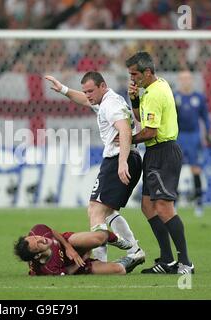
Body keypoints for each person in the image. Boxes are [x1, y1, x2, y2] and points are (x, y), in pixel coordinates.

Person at [45, 72, 145, 267]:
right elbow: (85, 100)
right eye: (86, 91)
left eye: (91, 90)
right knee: (106, 211)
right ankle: (134, 250)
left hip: (119, 158)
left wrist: (122, 162)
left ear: (102, 86)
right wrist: (63, 89)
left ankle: (100, 261)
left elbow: (124, 129)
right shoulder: (108, 99)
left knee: (95, 210)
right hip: (125, 157)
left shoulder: (110, 104)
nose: (88, 95)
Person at [126, 51, 194, 274]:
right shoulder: (156, 85)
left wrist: (127, 140)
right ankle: (166, 260)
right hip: (155, 153)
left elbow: (150, 131)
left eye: (135, 74)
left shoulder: (155, 94)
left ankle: (185, 262)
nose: (132, 79)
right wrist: (135, 98)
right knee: (147, 206)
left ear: (147, 72)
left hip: (163, 152)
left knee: (164, 207)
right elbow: (139, 118)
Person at [14, 223, 141, 276]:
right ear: (37, 256)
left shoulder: (36, 230)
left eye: (36, 237)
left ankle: (116, 240)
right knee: (119, 271)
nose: (42, 239)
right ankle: (130, 259)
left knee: (97, 239)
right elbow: (68, 272)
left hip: (69, 243)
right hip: (76, 264)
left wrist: (69, 248)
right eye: (39, 244)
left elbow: (51, 231)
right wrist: (84, 257)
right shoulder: (49, 269)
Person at [174, 70, 211, 217]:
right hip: (179, 136)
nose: (186, 81)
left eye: (188, 79)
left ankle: (199, 203)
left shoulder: (199, 97)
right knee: (175, 169)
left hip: (194, 137)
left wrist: (208, 132)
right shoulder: (174, 97)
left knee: (196, 169)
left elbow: (205, 117)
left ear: (192, 81)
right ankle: (174, 204)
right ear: (179, 80)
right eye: (183, 79)